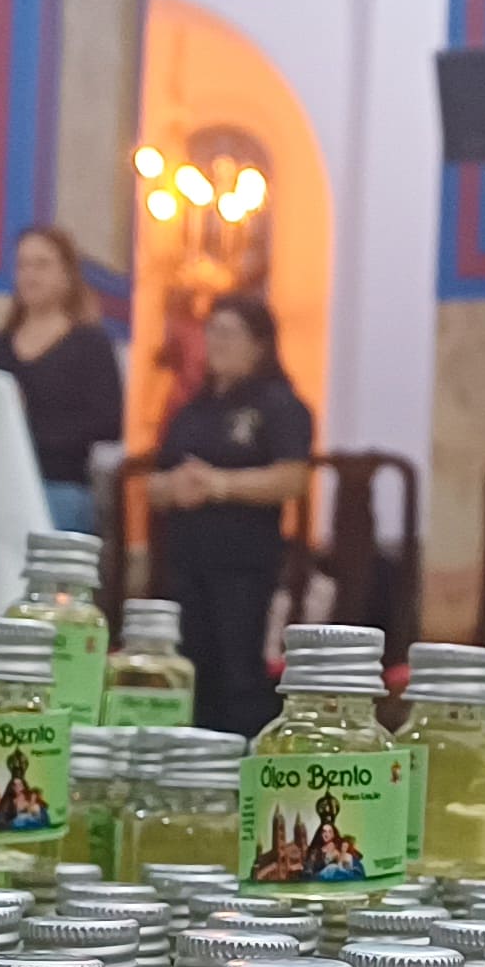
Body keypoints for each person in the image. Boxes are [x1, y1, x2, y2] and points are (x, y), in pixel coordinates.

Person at [144, 294, 312, 733]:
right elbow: (154, 480)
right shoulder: (192, 409)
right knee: (189, 667)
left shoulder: (279, 405)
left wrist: (219, 485)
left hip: (242, 562)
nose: (217, 342)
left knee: (238, 671)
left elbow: (292, 477)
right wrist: (172, 487)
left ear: (259, 344)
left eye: (229, 333)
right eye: (212, 331)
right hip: (186, 560)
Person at [0, 224, 126, 534]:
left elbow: (110, 421)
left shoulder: (90, 344)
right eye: (23, 265)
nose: (30, 275)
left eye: (42, 265)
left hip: (60, 488)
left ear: (67, 274)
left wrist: (33, 425)